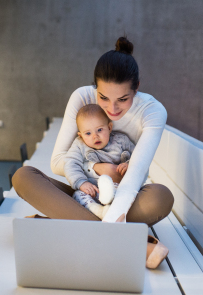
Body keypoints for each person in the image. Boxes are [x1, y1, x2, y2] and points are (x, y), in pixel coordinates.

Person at [13, 36, 174, 269]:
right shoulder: (82, 97)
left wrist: (116, 184)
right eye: (104, 98)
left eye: (123, 99)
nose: (112, 108)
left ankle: (63, 224)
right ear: (95, 88)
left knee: (161, 197)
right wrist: (97, 169)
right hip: (85, 192)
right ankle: (132, 245)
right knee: (24, 176)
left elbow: (133, 179)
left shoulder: (153, 111)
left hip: (124, 196)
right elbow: (58, 162)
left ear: (136, 88)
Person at [64, 104, 135, 219]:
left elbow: (138, 156)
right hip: (93, 190)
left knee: (129, 195)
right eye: (88, 133)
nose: (95, 136)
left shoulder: (121, 140)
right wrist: (81, 182)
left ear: (109, 127)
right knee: (77, 195)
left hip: (117, 189)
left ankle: (112, 204)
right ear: (81, 135)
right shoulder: (79, 145)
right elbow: (70, 163)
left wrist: (128, 164)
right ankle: (99, 211)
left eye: (99, 130)